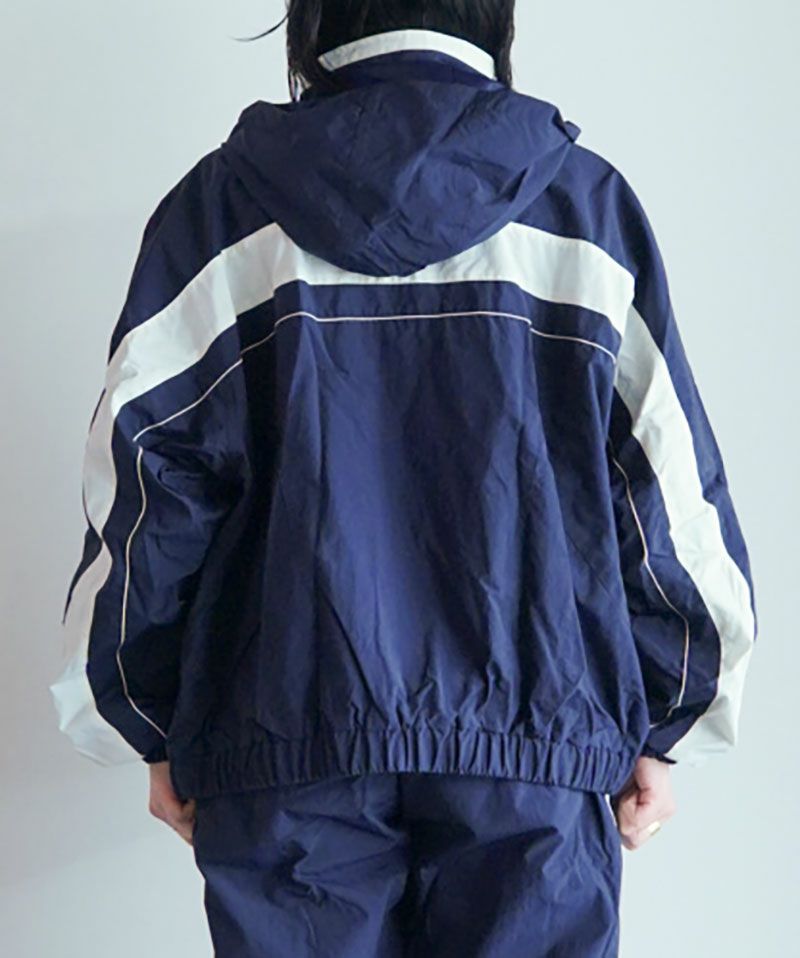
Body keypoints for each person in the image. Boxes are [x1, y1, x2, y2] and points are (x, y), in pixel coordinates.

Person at [48, 1, 758, 955]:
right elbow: (664, 491)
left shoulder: (218, 214)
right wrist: (673, 713)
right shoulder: (583, 210)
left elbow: (147, 485)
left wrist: (144, 713)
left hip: (285, 741)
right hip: (536, 743)